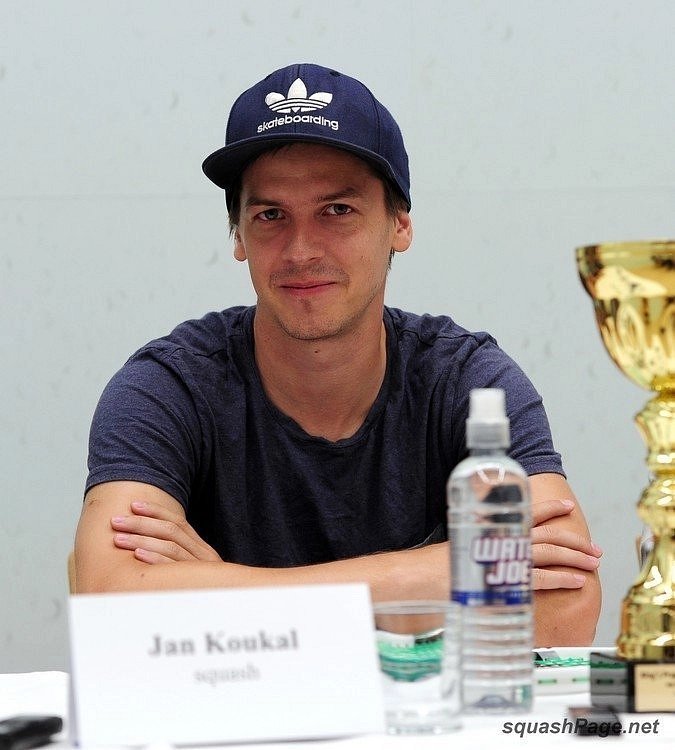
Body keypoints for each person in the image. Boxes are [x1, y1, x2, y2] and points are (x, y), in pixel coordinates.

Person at [74, 63, 601, 646]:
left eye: (337, 211)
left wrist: (221, 591)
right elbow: (108, 605)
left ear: (399, 224)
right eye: (270, 215)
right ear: (238, 236)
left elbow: (565, 610)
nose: (301, 250)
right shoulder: (168, 386)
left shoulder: (469, 381)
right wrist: (453, 570)